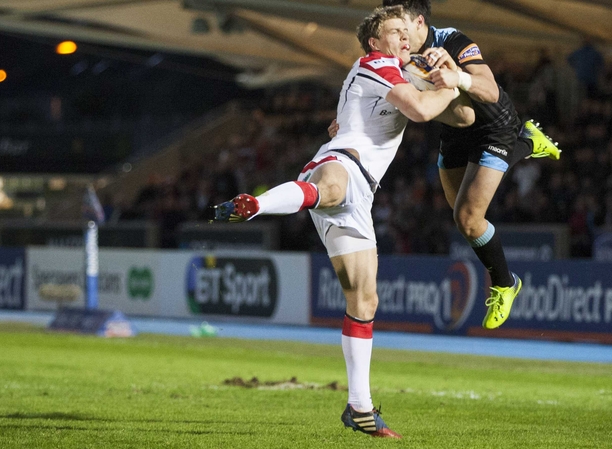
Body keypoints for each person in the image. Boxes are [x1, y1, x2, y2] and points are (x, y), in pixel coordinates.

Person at [212, 5, 473, 439]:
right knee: (330, 188)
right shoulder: (376, 63)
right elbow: (421, 111)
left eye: (405, 31)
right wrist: (452, 83)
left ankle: (360, 407)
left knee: (364, 302)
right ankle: (257, 204)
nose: (403, 36)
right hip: (340, 163)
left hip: (362, 194)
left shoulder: (403, 70)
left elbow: (464, 116)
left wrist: (446, 81)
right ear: (375, 42)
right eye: (394, 31)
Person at [382, 0, 560, 330]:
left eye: (400, 26)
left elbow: (489, 90)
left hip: (494, 126)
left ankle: (505, 283)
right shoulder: (394, 53)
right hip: (455, 131)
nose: (396, 34)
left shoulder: (452, 40)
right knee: (461, 213)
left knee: (467, 217)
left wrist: (458, 77)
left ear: (419, 21)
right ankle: (529, 143)